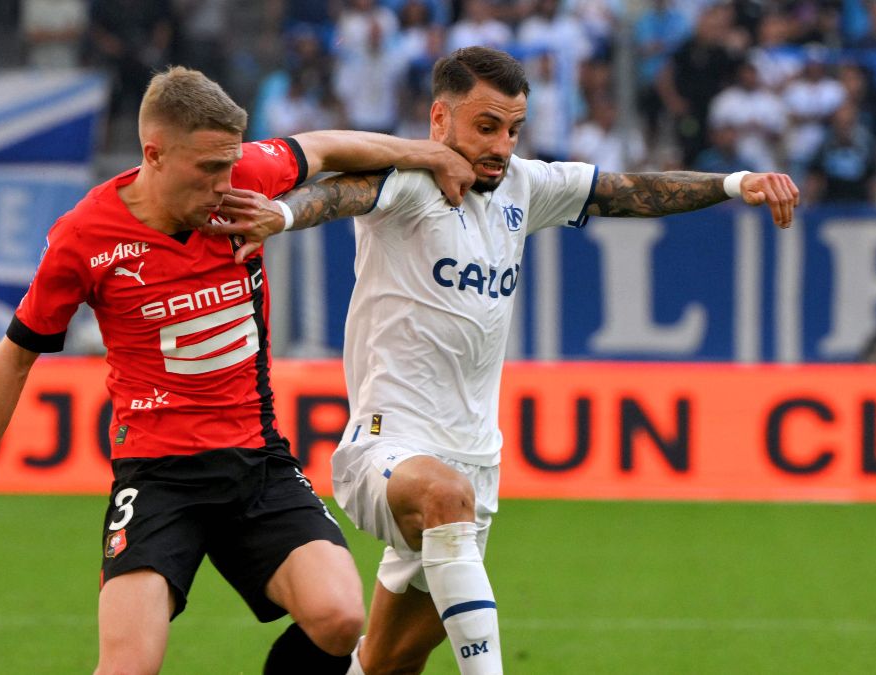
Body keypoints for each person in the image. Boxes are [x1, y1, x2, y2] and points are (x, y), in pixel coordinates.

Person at [208, 46, 799, 674]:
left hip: (476, 462)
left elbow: (628, 191)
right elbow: (338, 195)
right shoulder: (409, 184)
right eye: (486, 126)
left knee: (387, 664)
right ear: (441, 120)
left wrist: (738, 183)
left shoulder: (525, 187)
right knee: (444, 494)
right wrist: (283, 212)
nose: (502, 144)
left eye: (513, 129)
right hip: (385, 449)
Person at [0, 65, 476, 674]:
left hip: (257, 463)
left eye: (229, 165)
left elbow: (323, 147)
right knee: (128, 667)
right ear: (154, 154)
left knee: (341, 618)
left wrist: (427, 154)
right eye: (209, 169)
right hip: (159, 478)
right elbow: (15, 355)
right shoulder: (84, 239)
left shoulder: (243, 178)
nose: (225, 184)